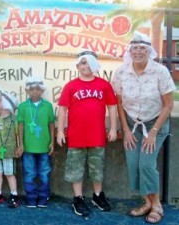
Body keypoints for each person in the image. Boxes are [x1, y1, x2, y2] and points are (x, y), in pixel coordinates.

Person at [112, 32, 176, 224]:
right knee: (133, 165)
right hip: (132, 124)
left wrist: (154, 132)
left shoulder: (160, 72)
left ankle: (157, 205)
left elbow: (168, 105)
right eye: (135, 48)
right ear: (130, 50)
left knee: (146, 165)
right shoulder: (121, 72)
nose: (138, 51)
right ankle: (147, 201)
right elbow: (119, 103)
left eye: (142, 48)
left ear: (149, 51)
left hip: (155, 123)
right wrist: (125, 130)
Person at [57, 50, 118, 218]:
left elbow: (112, 106)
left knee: (97, 168)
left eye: (90, 63)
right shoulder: (71, 86)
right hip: (76, 136)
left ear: (96, 65)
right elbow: (62, 108)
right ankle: (78, 198)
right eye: (83, 63)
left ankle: (98, 196)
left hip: (97, 136)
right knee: (76, 169)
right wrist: (60, 130)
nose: (86, 66)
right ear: (77, 66)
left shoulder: (104, 85)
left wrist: (113, 128)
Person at [17, 77, 55, 208]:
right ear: (27, 91)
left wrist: (52, 142)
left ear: (42, 90)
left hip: (44, 146)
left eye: (38, 89)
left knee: (44, 173)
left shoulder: (48, 106)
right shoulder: (22, 107)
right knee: (29, 173)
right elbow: (20, 126)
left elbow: (51, 124)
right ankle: (31, 197)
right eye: (32, 89)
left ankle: (44, 196)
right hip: (28, 147)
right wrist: (20, 144)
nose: (35, 92)